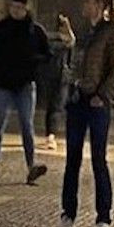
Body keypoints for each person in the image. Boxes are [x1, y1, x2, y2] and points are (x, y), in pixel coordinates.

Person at [58, 0, 114, 227]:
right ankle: (68, 214)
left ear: (99, 5)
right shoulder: (88, 34)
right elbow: (79, 65)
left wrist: (103, 95)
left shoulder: (112, 32)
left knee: (99, 159)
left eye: (87, 1)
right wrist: (71, 44)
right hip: (78, 99)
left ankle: (104, 216)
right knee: (72, 159)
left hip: (97, 102)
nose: (83, 6)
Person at [0, 0, 51, 185]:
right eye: (14, 7)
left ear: (26, 9)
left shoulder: (35, 31)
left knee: (27, 126)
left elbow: (47, 54)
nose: (16, 10)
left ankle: (31, 166)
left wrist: (33, 62)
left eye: (20, 7)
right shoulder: (0, 28)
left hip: (25, 84)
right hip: (4, 84)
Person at [40, 14, 73, 154]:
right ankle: (51, 135)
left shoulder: (50, 40)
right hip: (59, 76)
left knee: (54, 107)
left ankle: (51, 135)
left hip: (54, 75)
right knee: (56, 106)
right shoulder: (63, 41)